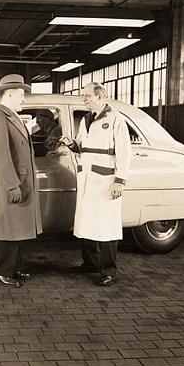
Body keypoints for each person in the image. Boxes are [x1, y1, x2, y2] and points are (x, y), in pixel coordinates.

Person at [60, 82, 131, 286]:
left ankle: (108, 270)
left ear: (101, 97)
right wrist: (71, 144)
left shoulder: (115, 119)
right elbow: (82, 146)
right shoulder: (85, 119)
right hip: (88, 179)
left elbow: (125, 153)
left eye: (87, 96)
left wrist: (120, 181)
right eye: (84, 96)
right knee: (88, 221)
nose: (84, 99)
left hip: (107, 180)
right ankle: (90, 263)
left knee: (107, 226)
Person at [0, 74, 43, 288]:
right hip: (14, 182)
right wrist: (12, 185)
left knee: (18, 228)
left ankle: (12, 268)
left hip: (23, 180)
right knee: (9, 228)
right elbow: (0, 156)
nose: (23, 100)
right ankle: (0, 271)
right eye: (21, 95)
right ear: (8, 95)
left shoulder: (13, 116)